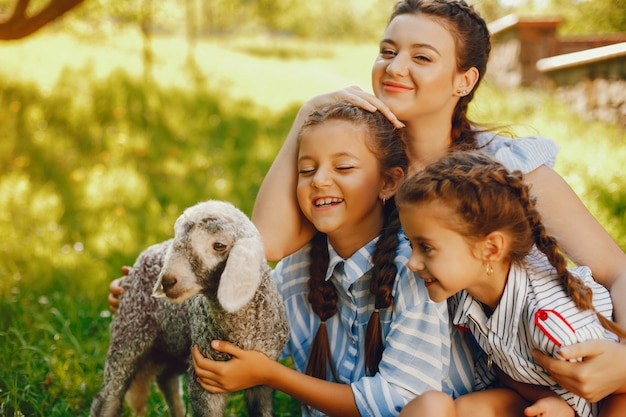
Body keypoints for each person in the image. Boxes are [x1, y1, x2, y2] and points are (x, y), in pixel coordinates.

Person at [110, 0, 626, 404]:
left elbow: (613, 270)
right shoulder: (358, 164)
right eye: (387, 51)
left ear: (464, 80)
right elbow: (263, 244)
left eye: (422, 57)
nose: (395, 67)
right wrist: (309, 114)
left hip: (538, 359)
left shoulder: (505, 168)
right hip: (433, 384)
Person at [191, 102, 478, 416]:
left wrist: (270, 374)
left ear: (389, 182)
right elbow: (242, 316)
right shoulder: (300, 265)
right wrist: (147, 293)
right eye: (307, 170)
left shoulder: (414, 267)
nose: (319, 180)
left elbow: (397, 400)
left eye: (343, 167)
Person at [394, 150, 626, 417]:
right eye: (412, 245)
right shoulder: (466, 290)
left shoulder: (555, 324)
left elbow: (616, 388)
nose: (412, 263)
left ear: (491, 248)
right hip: (536, 398)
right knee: (434, 408)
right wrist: (550, 399)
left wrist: (566, 409)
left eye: (426, 247)